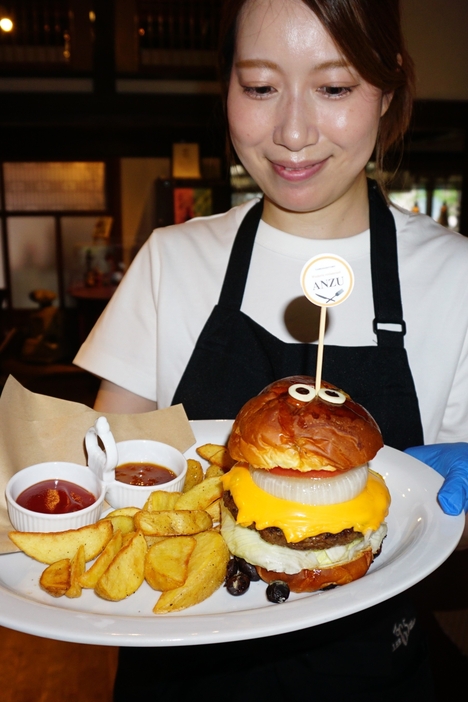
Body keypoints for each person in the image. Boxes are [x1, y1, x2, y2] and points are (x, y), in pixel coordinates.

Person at [75, 0, 468, 699]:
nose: (291, 131)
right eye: (260, 86)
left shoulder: (456, 276)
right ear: (224, 85)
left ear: (390, 89)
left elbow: (447, 536)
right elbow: (110, 482)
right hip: (180, 667)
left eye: (335, 87)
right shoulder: (172, 260)